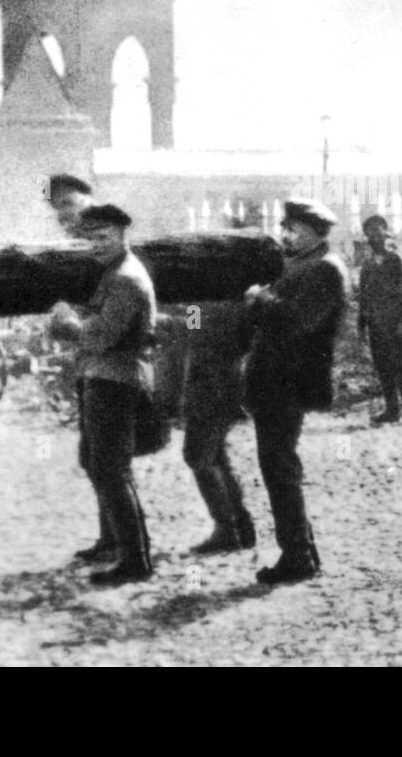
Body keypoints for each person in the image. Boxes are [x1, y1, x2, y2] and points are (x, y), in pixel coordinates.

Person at [47, 204, 158, 586]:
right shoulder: (112, 273)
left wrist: (66, 322)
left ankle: (136, 559)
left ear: (122, 234)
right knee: (97, 462)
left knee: (111, 468)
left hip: (116, 380)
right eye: (90, 238)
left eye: (103, 237)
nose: (95, 245)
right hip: (101, 376)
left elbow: (101, 335)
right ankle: (113, 541)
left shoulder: (126, 279)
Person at [244, 198, 348, 586]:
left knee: (279, 467)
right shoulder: (304, 264)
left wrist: (260, 299)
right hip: (277, 378)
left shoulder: (324, 269)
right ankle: (302, 549)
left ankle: (297, 556)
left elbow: (297, 321)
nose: (285, 235)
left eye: (294, 229)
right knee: (278, 465)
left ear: (317, 233)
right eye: (283, 227)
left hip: (288, 380)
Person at [181, 297, 256, 554]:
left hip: (211, 387)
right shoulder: (233, 298)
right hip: (223, 384)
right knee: (216, 457)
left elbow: (194, 336)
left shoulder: (206, 302)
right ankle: (240, 526)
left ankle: (227, 529)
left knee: (197, 455)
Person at [358, 215, 402, 426]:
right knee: (382, 367)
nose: (375, 236)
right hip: (376, 324)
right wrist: (361, 325)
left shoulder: (396, 259)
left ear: (385, 233)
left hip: (394, 322)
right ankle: (392, 409)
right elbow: (363, 297)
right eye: (370, 232)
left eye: (378, 231)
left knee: (399, 365)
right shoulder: (367, 265)